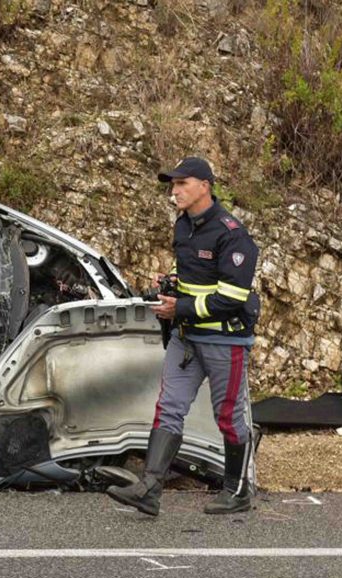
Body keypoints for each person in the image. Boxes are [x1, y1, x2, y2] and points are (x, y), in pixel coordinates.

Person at [107, 157, 260, 516]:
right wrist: (171, 282)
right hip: (186, 338)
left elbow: (232, 298)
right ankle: (149, 489)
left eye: (181, 184)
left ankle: (237, 492)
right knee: (169, 407)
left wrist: (181, 308)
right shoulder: (183, 225)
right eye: (172, 185)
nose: (174, 191)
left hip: (225, 341)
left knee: (228, 415)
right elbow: (187, 270)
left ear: (204, 186)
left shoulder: (232, 234)